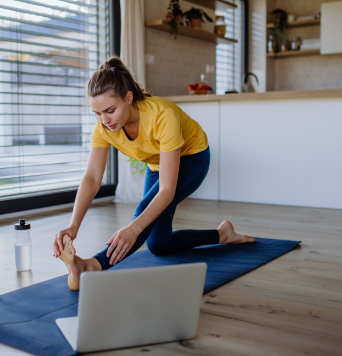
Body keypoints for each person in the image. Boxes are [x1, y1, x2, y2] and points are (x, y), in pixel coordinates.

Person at [53, 57, 255, 291]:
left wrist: (133, 228)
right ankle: (222, 234)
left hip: (193, 157)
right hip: (158, 164)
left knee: (142, 215)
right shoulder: (103, 128)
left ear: (128, 97)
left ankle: (90, 266)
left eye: (110, 111)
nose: (104, 120)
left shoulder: (162, 115)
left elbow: (166, 190)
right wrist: (73, 225)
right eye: (97, 114)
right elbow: (92, 178)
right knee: (160, 244)